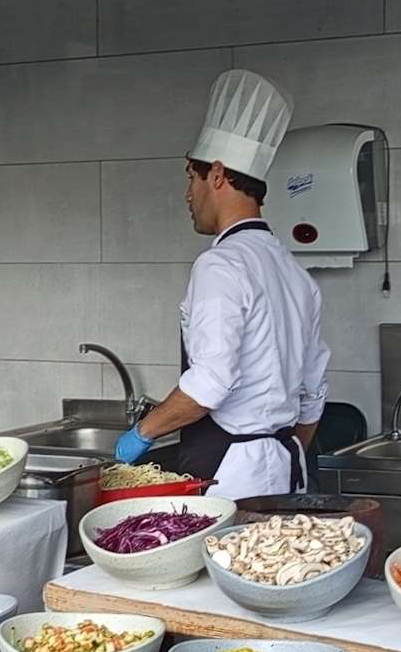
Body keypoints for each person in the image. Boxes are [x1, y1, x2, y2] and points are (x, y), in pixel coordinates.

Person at [115, 70, 330, 503]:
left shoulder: (220, 265)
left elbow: (209, 385)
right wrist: (275, 452)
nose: (187, 195)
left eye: (190, 178)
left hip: (229, 478)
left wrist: (140, 435)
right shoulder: (294, 272)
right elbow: (313, 395)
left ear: (215, 175)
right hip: (289, 469)